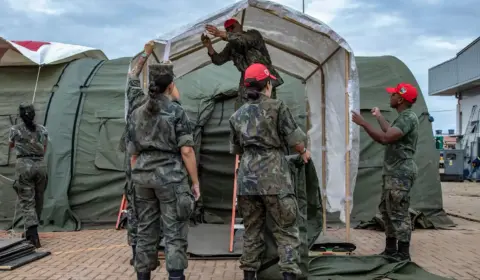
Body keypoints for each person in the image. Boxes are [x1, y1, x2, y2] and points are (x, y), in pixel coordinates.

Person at [229, 63, 310, 280]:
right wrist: (303, 152)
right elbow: (297, 141)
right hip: (275, 179)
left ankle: (249, 277)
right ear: (267, 85)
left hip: (247, 181)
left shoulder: (236, 116)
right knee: (286, 233)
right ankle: (288, 276)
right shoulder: (277, 107)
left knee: (252, 233)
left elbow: (236, 149)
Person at [127, 60, 201, 280]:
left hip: (142, 178)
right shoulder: (176, 111)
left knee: (145, 232)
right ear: (171, 85)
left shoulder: (137, 113)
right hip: (170, 177)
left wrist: (138, 178)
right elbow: (186, 151)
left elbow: (133, 154)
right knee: (174, 232)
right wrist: (195, 183)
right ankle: (176, 276)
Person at [351, 82, 419, 261]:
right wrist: (379, 116)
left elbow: (385, 138)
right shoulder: (403, 117)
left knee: (398, 212)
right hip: (393, 172)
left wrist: (363, 123)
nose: (390, 97)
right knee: (386, 210)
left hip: (400, 172)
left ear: (401, 99)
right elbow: (389, 130)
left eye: (393, 94)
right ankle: (390, 249)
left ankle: (403, 253)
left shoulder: (408, 117)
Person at [119, 41, 164, 266]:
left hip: (134, 162)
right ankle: (153, 250)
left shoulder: (136, 99)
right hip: (157, 164)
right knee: (155, 206)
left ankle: (137, 252)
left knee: (134, 205)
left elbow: (132, 75)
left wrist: (145, 55)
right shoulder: (164, 108)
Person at [201, 18, 283, 109]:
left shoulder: (253, 34)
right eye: (228, 29)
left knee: (268, 108)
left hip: (263, 77)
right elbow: (218, 60)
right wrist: (209, 47)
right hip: (247, 80)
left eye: (232, 27)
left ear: (239, 25)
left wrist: (220, 33)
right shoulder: (231, 47)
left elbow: (243, 39)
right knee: (241, 109)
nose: (230, 30)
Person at [8, 103, 48, 248]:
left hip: (24, 165)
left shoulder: (15, 130)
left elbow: (11, 145)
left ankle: (32, 235)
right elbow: (44, 148)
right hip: (40, 166)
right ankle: (32, 230)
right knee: (38, 199)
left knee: (27, 200)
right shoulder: (42, 129)